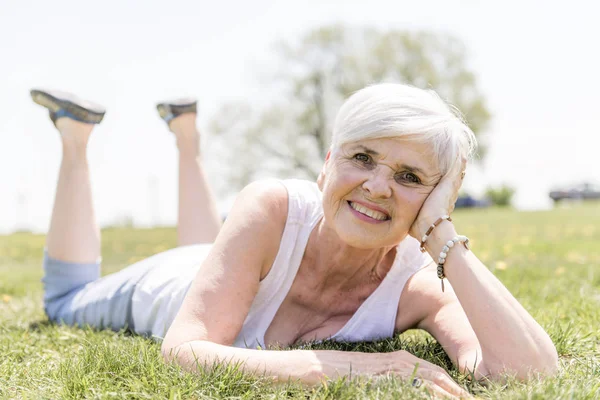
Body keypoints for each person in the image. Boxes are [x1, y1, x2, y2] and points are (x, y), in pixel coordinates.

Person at [33, 84, 558, 398]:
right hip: (168, 283)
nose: (377, 185)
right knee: (64, 299)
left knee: (210, 250)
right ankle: (75, 137)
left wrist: (442, 233)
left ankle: (184, 133)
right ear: (327, 165)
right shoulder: (271, 205)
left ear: (434, 196)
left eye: (410, 177)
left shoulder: (416, 283)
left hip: (227, 262)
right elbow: (183, 352)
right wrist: (344, 368)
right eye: (362, 158)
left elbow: (529, 374)